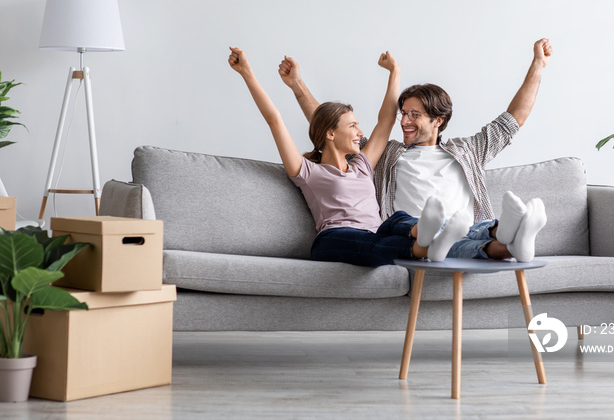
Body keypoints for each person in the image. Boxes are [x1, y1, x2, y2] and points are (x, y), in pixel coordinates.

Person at [278, 39, 553, 262]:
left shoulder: (468, 150)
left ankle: (514, 233)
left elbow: (512, 121)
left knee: (476, 233)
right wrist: (297, 85)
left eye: (414, 115)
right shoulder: (389, 154)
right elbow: (332, 128)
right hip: (416, 236)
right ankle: (513, 236)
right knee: (462, 243)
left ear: (438, 120)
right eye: (403, 113)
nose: (404, 121)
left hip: (465, 229)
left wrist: (538, 64)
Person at [228, 47, 470, 268]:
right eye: (353, 126)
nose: (360, 133)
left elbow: (386, 119)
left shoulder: (362, 166)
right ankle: (423, 247)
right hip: (334, 239)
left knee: (397, 220)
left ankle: (431, 234)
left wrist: (394, 72)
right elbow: (274, 119)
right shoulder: (307, 171)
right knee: (374, 244)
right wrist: (246, 72)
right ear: (331, 133)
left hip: (375, 234)